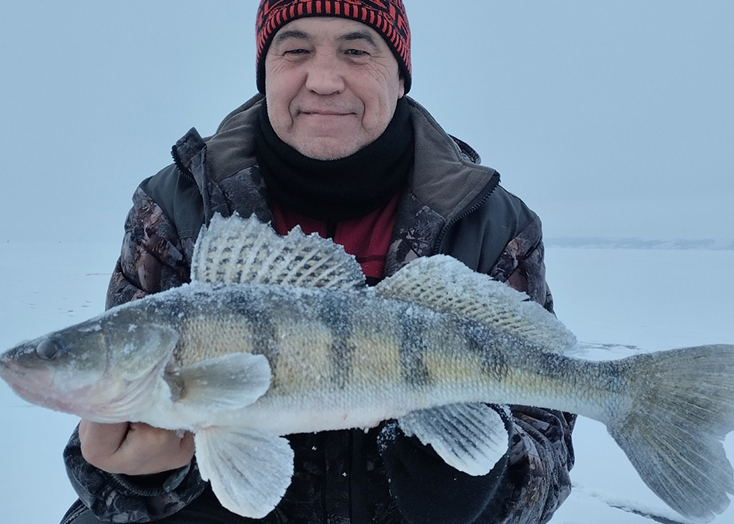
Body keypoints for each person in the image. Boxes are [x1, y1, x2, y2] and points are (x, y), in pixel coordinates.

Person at [60, 1, 575, 523]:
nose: (325, 80)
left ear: (400, 77)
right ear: (266, 74)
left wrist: (483, 491)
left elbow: (547, 437)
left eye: (356, 50)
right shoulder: (174, 207)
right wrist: (147, 480)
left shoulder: (490, 223)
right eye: (296, 49)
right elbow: (97, 458)